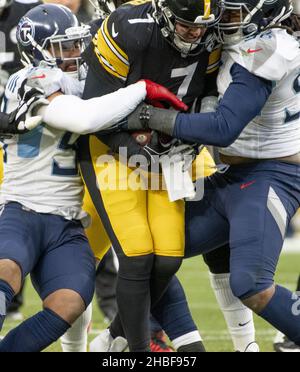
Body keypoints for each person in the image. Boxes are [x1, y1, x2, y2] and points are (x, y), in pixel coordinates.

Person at [0, 3, 178, 351]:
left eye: (76, 43)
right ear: (37, 48)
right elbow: (83, 119)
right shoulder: (31, 78)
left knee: (70, 303)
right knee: (5, 269)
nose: (74, 53)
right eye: (62, 46)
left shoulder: (85, 78)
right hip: (20, 209)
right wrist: (140, 89)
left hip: (67, 221)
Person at [126, 0, 300, 347]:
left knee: (251, 283)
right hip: (233, 176)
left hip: (271, 174)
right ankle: (161, 341)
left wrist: (152, 118)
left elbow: (223, 128)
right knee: (149, 256)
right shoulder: (249, 42)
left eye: (234, 13)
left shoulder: (267, 48)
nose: (224, 20)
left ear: (265, 13)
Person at [81, 0, 222, 352]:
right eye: (187, 24)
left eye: (202, 26)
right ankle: (138, 352)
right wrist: (140, 149)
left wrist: (193, 130)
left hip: (169, 149)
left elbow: (208, 90)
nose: (196, 33)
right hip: (110, 144)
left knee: (169, 257)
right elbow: (94, 113)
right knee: (137, 254)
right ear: (163, 13)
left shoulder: (212, 31)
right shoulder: (129, 28)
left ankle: (116, 338)